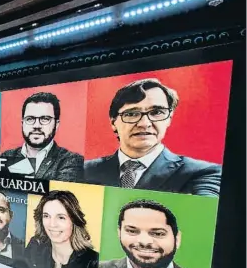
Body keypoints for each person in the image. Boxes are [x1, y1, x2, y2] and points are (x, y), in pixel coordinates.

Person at [84, 78, 221, 196]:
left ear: (169, 119)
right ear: (113, 123)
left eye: (156, 112)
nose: (144, 124)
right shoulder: (83, 171)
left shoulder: (202, 173)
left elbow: (202, 217)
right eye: (131, 114)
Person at [1, 92, 84, 182]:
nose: (36, 125)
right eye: (30, 119)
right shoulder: (7, 156)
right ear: (22, 123)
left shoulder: (70, 160)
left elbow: (60, 195)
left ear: (56, 124)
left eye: (45, 119)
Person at [25, 190, 98, 268]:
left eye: (61, 217)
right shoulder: (35, 247)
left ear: (74, 221)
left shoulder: (92, 262)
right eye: (46, 216)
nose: (52, 224)